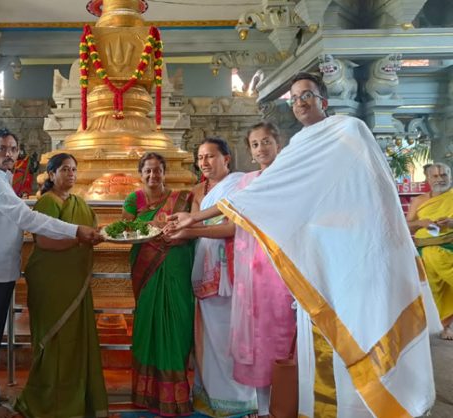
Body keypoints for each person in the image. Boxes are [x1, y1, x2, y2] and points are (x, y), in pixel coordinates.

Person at [167, 72, 436, 417]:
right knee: (320, 344)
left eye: (307, 94)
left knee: (362, 324)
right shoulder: (298, 147)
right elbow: (257, 196)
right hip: (316, 258)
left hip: (353, 247)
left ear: (323, 99)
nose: (300, 102)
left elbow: (371, 189)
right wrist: (195, 219)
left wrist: (196, 221)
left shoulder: (348, 130)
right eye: (293, 98)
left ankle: (379, 402)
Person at [0, 128, 102, 418]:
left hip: (0, 269)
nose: (9, 154)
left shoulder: (0, 178)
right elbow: (25, 218)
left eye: (13, 149)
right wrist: (76, 231)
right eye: (2, 149)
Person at [15, 153, 108, 418]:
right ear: (51, 174)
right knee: (54, 341)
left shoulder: (79, 202)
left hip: (76, 280)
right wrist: (82, 240)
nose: (71, 174)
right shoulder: (46, 202)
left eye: (74, 170)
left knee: (76, 341)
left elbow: (92, 228)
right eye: (65, 169)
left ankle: (76, 401)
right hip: (52, 281)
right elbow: (44, 242)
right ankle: (46, 402)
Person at [168, 139, 257, 417]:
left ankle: (241, 399)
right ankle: (213, 397)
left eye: (210, 156)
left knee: (232, 335)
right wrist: (182, 224)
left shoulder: (240, 183)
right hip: (205, 267)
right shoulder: (202, 194)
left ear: (227, 159)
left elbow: (231, 227)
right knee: (210, 336)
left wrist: (190, 230)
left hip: (230, 269)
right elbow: (198, 221)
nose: (204, 163)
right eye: (201, 157)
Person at [229, 122, 296, 418]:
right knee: (254, 336)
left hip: (281, 266)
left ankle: (287, 406)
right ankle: (262, 407)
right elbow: (234, 220)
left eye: (266, 141)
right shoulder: (245, 182)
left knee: (282, 333)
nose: (261, 149)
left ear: (278, 144)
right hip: (251, 269)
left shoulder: (291, 177)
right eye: (255, 144)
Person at [122, 152, 196, 416]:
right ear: (140, 174)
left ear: (165, 172)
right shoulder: (134, 199)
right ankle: (147, 395)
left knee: (176, 325)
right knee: (148, 325)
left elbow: (191, 230)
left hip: (176, 267)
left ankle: (174, 396)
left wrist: (174, 233)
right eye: (148, 171)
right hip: (146, 270)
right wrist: (154, 226)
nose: (153, 176)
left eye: (157, 170)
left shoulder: (182, 199)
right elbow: (127, 231)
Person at [407, 162, 453, 339]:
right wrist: (420, 223)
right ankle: (446, 325)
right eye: (435, 176)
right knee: (435, 290)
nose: (440, 179)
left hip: (449, 248)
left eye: (444, 175)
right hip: (425, 252)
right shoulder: (418, 201)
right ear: (428, 179)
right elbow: (406, 226)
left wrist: (450, 223)